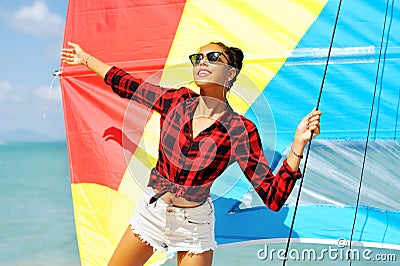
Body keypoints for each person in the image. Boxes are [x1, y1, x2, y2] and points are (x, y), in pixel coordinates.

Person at [61, 41, 322, 266]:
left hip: (193, 225)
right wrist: (85, 59)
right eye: (198, 57)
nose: (202, 61)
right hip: (152, 212)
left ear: (231, 73)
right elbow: (130, 87)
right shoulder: (176, 101)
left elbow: (273, 196)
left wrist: (298, 143)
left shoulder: (241, 130)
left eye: (212, 57)